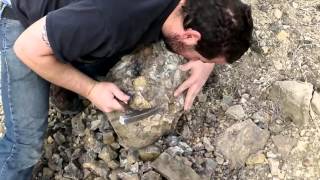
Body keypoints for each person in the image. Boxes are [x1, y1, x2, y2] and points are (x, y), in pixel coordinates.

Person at [0, 0, 253, 179]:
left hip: (74, 19)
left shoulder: (199, 7)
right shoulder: (111, 21)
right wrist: (90, 90)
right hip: (23, 23)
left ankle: (63, 72)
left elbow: (228, 13)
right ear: (190, 36)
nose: (198, 63)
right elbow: (27, 48)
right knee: (24, 145)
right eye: (202, 58)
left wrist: (207, 63)